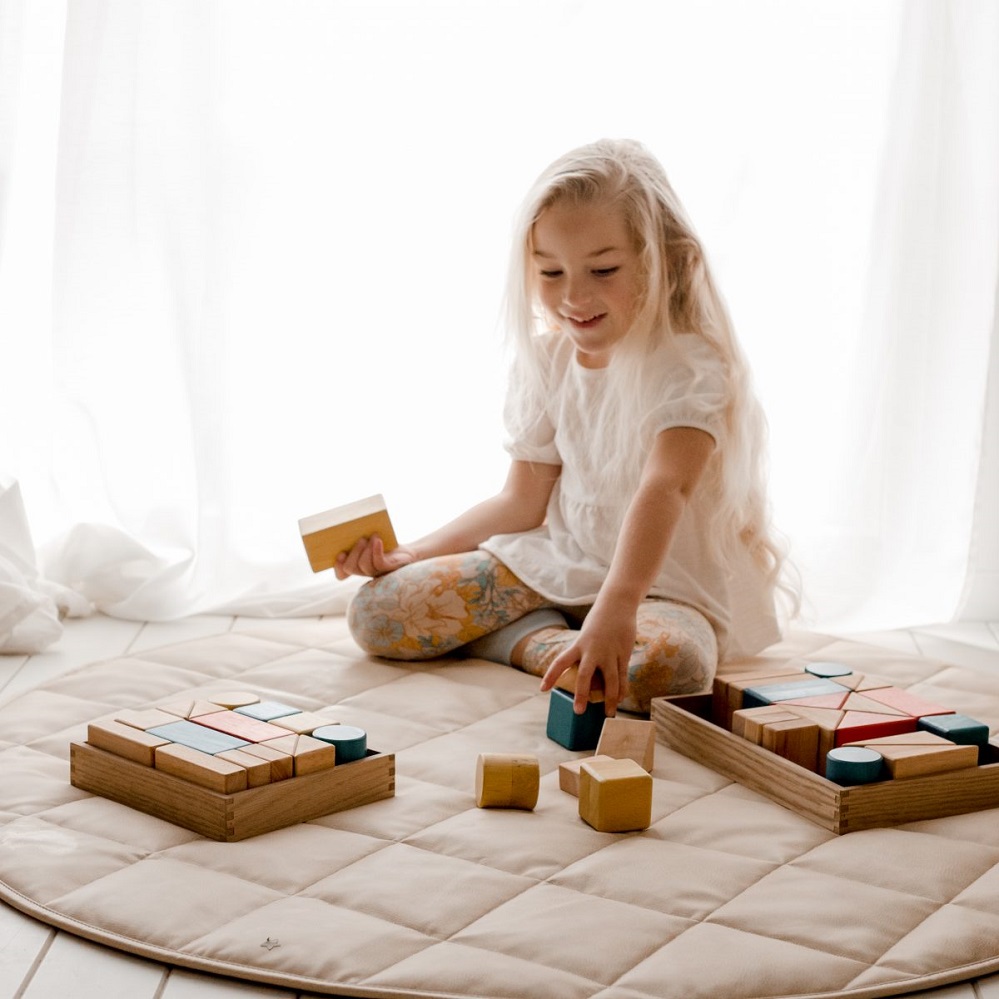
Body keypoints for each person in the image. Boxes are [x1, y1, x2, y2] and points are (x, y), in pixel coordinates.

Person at [336, 138, 794, 717]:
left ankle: (553, 640)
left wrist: (617, 605)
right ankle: (548, 642)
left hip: (658, 587)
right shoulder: (551, 361)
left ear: (666, 261)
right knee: (377, 613)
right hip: (560, 561)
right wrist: (414, 553)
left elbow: (665, 487)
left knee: (667, 672)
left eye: (603, 269)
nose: (574, 296)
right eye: (550, 272)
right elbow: (521, 501)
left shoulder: (690, 365)